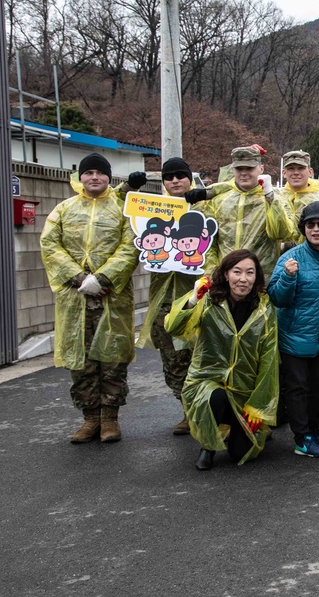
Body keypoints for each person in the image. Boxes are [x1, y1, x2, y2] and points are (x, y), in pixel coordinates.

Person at [40, 152, 139, 444]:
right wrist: (81, 278)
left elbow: (131, 246)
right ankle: (89, 419)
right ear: (79, 177)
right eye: (88, 173)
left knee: (112, 359)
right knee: (80, 360)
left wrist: (104, 277)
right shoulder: (63, 209)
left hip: (112, 297)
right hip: (76, 298)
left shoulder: (123, 210)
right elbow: (49, 244)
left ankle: (110, 419)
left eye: (100, 173)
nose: (94, 177)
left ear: (109, 177)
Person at [166, 250, 279, 470]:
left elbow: (269, 360)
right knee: (214, 396)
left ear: (257, 277)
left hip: (243, 391)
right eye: (237, 272)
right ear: (226, 274)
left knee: (241, 454)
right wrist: (192, 300)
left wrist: (258, 406)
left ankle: (242, 428)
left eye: (250, 272)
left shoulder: (264, 310)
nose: (243, 279)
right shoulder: (208, 301)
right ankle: (207, 448)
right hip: (207, 383)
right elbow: (174, 327)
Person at [267, 202, 319, 457]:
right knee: (297, 389)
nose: (316, 229)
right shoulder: (290, 259)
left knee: (318, 389)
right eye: (310, 225)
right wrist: (288, 278)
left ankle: (313, 430)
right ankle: (301, 438)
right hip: (294, 338)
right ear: (303, 229)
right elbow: (277, 298)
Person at [134, 157, 200, 434]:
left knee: (201, 357)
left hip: (198, 297)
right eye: (169, 177)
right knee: (173, 359)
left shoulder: (206, 207)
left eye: (180, 176)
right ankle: (187, 411)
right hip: (164, 299)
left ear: (190, 178)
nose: (174, 181)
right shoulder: (153, 212)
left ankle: (205, 411)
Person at [196, 145, 296, 278]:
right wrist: (213, 273)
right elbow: (209, 242)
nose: (244, 173)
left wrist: (270, 197)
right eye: (239, 168)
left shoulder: (276, 199)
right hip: (226, 281)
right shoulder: (219, 201)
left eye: (249, 168)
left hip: (261, 281)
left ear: (261, 168)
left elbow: (282, 233)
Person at [279, 150, 319, 226]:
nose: (296, 173)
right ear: (284, 173)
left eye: (301, 168)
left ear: (310, 172)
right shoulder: (277, 197)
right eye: (291, 168)